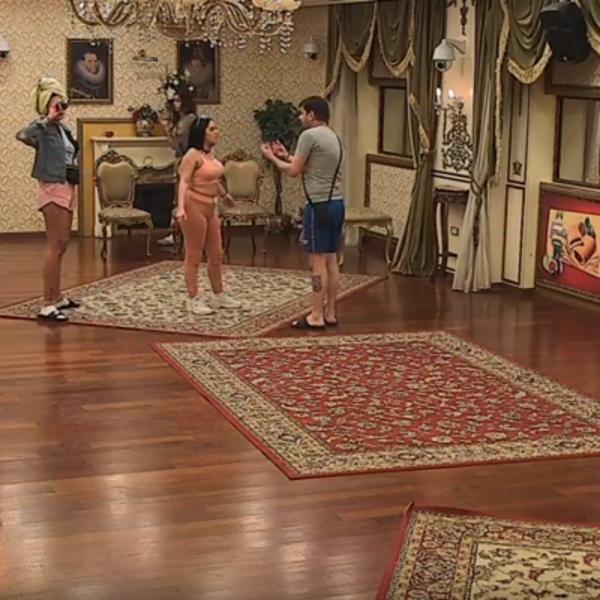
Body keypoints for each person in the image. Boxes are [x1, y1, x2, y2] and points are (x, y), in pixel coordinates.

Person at [261, 96, 344, 330]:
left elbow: (294, 172)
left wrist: (271, 157)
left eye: (302, 113)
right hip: (337, 203)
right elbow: (312, 168)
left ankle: (316, 315)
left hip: (318, 206)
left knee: (317, 262)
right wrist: (287, 155)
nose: (300, 118)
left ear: (311, 114)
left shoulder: (309, 136)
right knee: (332, 259)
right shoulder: (335, 137)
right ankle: (330, 312)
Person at [16, 77, 81, 322]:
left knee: (63, 244)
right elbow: (22, 135)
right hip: (52, 187)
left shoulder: (64, 129)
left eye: (62, 103)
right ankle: (47, 304)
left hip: (68, 185)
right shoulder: (42, 129)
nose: (60, 108)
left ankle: (58, 297)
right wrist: (47, 119)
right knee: (55, 246)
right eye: (55, 104)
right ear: (46, 106)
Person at [176, 116, 241, 315]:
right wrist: (181, 208)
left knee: (216, 253)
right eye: (212, 129)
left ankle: (218, 295)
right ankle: (193, 298)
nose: (216, 132)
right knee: (194, 254)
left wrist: (224, 195)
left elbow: (213, 180)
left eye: (216, 128)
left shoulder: (211, 154)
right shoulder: (192, 155)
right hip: (193, 205)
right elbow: (184, 182)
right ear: (201, 133)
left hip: (211, 206)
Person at [158, 88, 198, 246]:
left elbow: (178, 136)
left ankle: (184, 233)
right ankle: (175, 232)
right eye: (174, 101)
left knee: (185, 198)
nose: (175, 104)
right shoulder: (180, 120)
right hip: (181, 160)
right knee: (178, 198)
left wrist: (167, 127)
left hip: (189, 161)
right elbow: (174, 144)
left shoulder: (190, 118)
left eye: (178, 100)